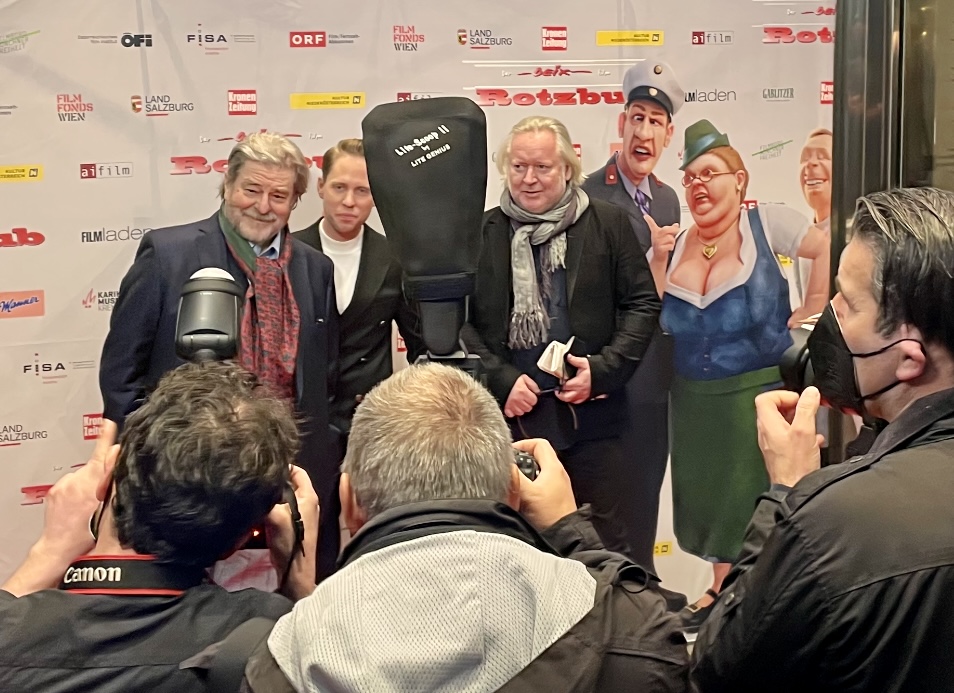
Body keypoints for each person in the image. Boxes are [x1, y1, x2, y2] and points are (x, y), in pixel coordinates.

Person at [242, 363, 690, 692]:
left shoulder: (280, 661)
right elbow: (637, 634)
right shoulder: (632, 632)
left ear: (349, 502)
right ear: (515, 491)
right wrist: (569, 532)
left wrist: (299, 593)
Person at [692, 187, 954, 691]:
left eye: (847, 304)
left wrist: (787, 494)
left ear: (908, 359)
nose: (825, 317)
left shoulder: (831, 524)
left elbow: (717, 670)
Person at [99, 131, 341, 579]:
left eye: (278, 196)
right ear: (227, 184)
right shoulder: (168, 254)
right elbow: (121, 371)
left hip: (289, 474)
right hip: (184, 481)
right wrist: (151, 453)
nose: (263, 206)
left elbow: (324, 371)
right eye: (251, 189)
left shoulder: (315, 268)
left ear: (295, 202)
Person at [0, 361, 319, 692]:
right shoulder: (268, 635)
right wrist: (297, 579)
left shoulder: (12, 632)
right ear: (237, 542)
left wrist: (48, 553)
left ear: (107, 478)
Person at [646, 119, 830, 626]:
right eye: (690, 178)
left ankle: (759, 595)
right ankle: (720, 588)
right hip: (692, 400)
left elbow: (826, 242)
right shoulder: (676, 244)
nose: (698, 185)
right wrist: (657, 261)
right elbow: (655, 311)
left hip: (759, 395)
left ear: (739, 179)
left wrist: (814, 304)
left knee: (754, 496)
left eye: (710, 173)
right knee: (707, 502)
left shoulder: (767, 223)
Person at [461, 115, 662, 560]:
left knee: (602, 548)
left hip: (594, 422)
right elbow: (458, 320)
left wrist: (603, 371)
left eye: (542, 167)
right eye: (518, 167)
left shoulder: (608, 223)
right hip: (509, 423)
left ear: (568, 168)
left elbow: (643, 304)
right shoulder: (480, 232)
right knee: (515, 549)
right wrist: (499, 380)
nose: (528, 179)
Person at [582, 61, 684, 572]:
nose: (644, 133)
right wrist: (652, 259)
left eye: (655, 123)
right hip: (606, 372)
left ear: (668, 135)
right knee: (603, 496)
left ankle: (643, 580)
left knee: (646, 486)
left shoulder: (668, 199)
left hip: (653, 375)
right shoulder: (588, 194)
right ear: (622, 124)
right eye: (637, 119)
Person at [294, 138, 424, 453]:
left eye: (362, 191)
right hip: (299, 422)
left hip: (370, 424)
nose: (349, 201)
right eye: (339, 188)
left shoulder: (394, 258)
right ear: (321, 187)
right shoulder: (289, 253)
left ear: (376, 196)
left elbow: (421, 345)